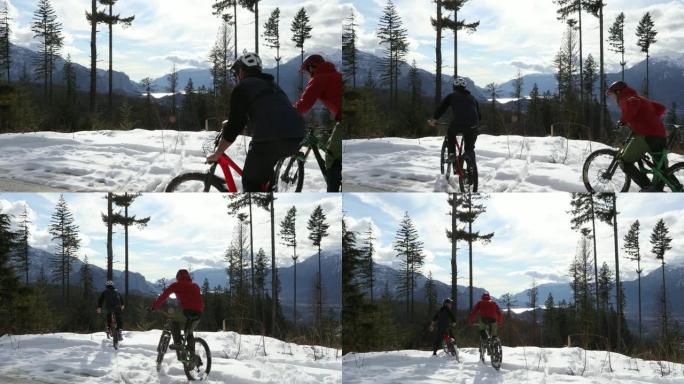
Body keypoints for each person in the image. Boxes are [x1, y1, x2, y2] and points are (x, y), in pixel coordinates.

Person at [206, 52, 305, 192]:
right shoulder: (272, 85)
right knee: (263, 175)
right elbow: (266, 111)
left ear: (241, 71)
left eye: (236, 73)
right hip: (297, 136)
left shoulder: (242, 88)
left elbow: (236, 125)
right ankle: (268, 188)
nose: (236, 77)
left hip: (270, 139)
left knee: (251, 182)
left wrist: (219, 152)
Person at [293, 54, 343, 192]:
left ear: (312, 67)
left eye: (307, 72)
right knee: (335, 151)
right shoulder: (335, 74)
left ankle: (332, 191)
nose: (308, 75)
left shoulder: (319, 78)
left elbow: (304, 105)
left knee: (332, 156)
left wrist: (287, 113)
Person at [606, 81, 668, 191]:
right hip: (661, 135)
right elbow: (661, 108)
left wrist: (623, 121)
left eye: (612, 95)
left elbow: (634, 104)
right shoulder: (638, 97)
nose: (613, 98)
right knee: (662, 172)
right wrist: (648, 119)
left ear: (618, 92)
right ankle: (672, 189)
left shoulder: (626, 98)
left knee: (623, 161)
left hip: (647, 135)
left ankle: (647, 186)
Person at [428, 76, 482, 191]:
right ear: (465, 87)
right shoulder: (472, 97)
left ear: (454, 87)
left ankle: (452, 154)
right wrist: (475, 125)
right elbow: (479, 115)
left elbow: (442, 108)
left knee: (451, 132)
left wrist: (434, 120)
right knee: (469, 149)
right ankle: (471, 167)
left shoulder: (452, 96)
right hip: (474, 126)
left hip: (459, 124)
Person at [150, 269, 204, 355]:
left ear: (178, 277)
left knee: (173, 320)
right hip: (198, 313)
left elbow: (164, 296)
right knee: (188, 333)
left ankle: (178, 342)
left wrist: (154, 307)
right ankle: (192, 360)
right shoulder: (195, 286)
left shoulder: (176, 285)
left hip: (187, 312)